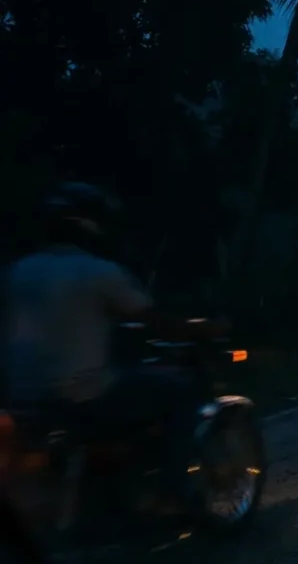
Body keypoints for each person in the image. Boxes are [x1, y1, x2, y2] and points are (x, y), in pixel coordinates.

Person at [3, 182, 205, 523]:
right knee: (180, 389)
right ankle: (174, 489)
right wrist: (201, 328)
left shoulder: (17, 271)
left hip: (19, 399)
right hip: (80, 397)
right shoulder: (97, 272)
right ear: (91, 226)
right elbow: (155, 321)